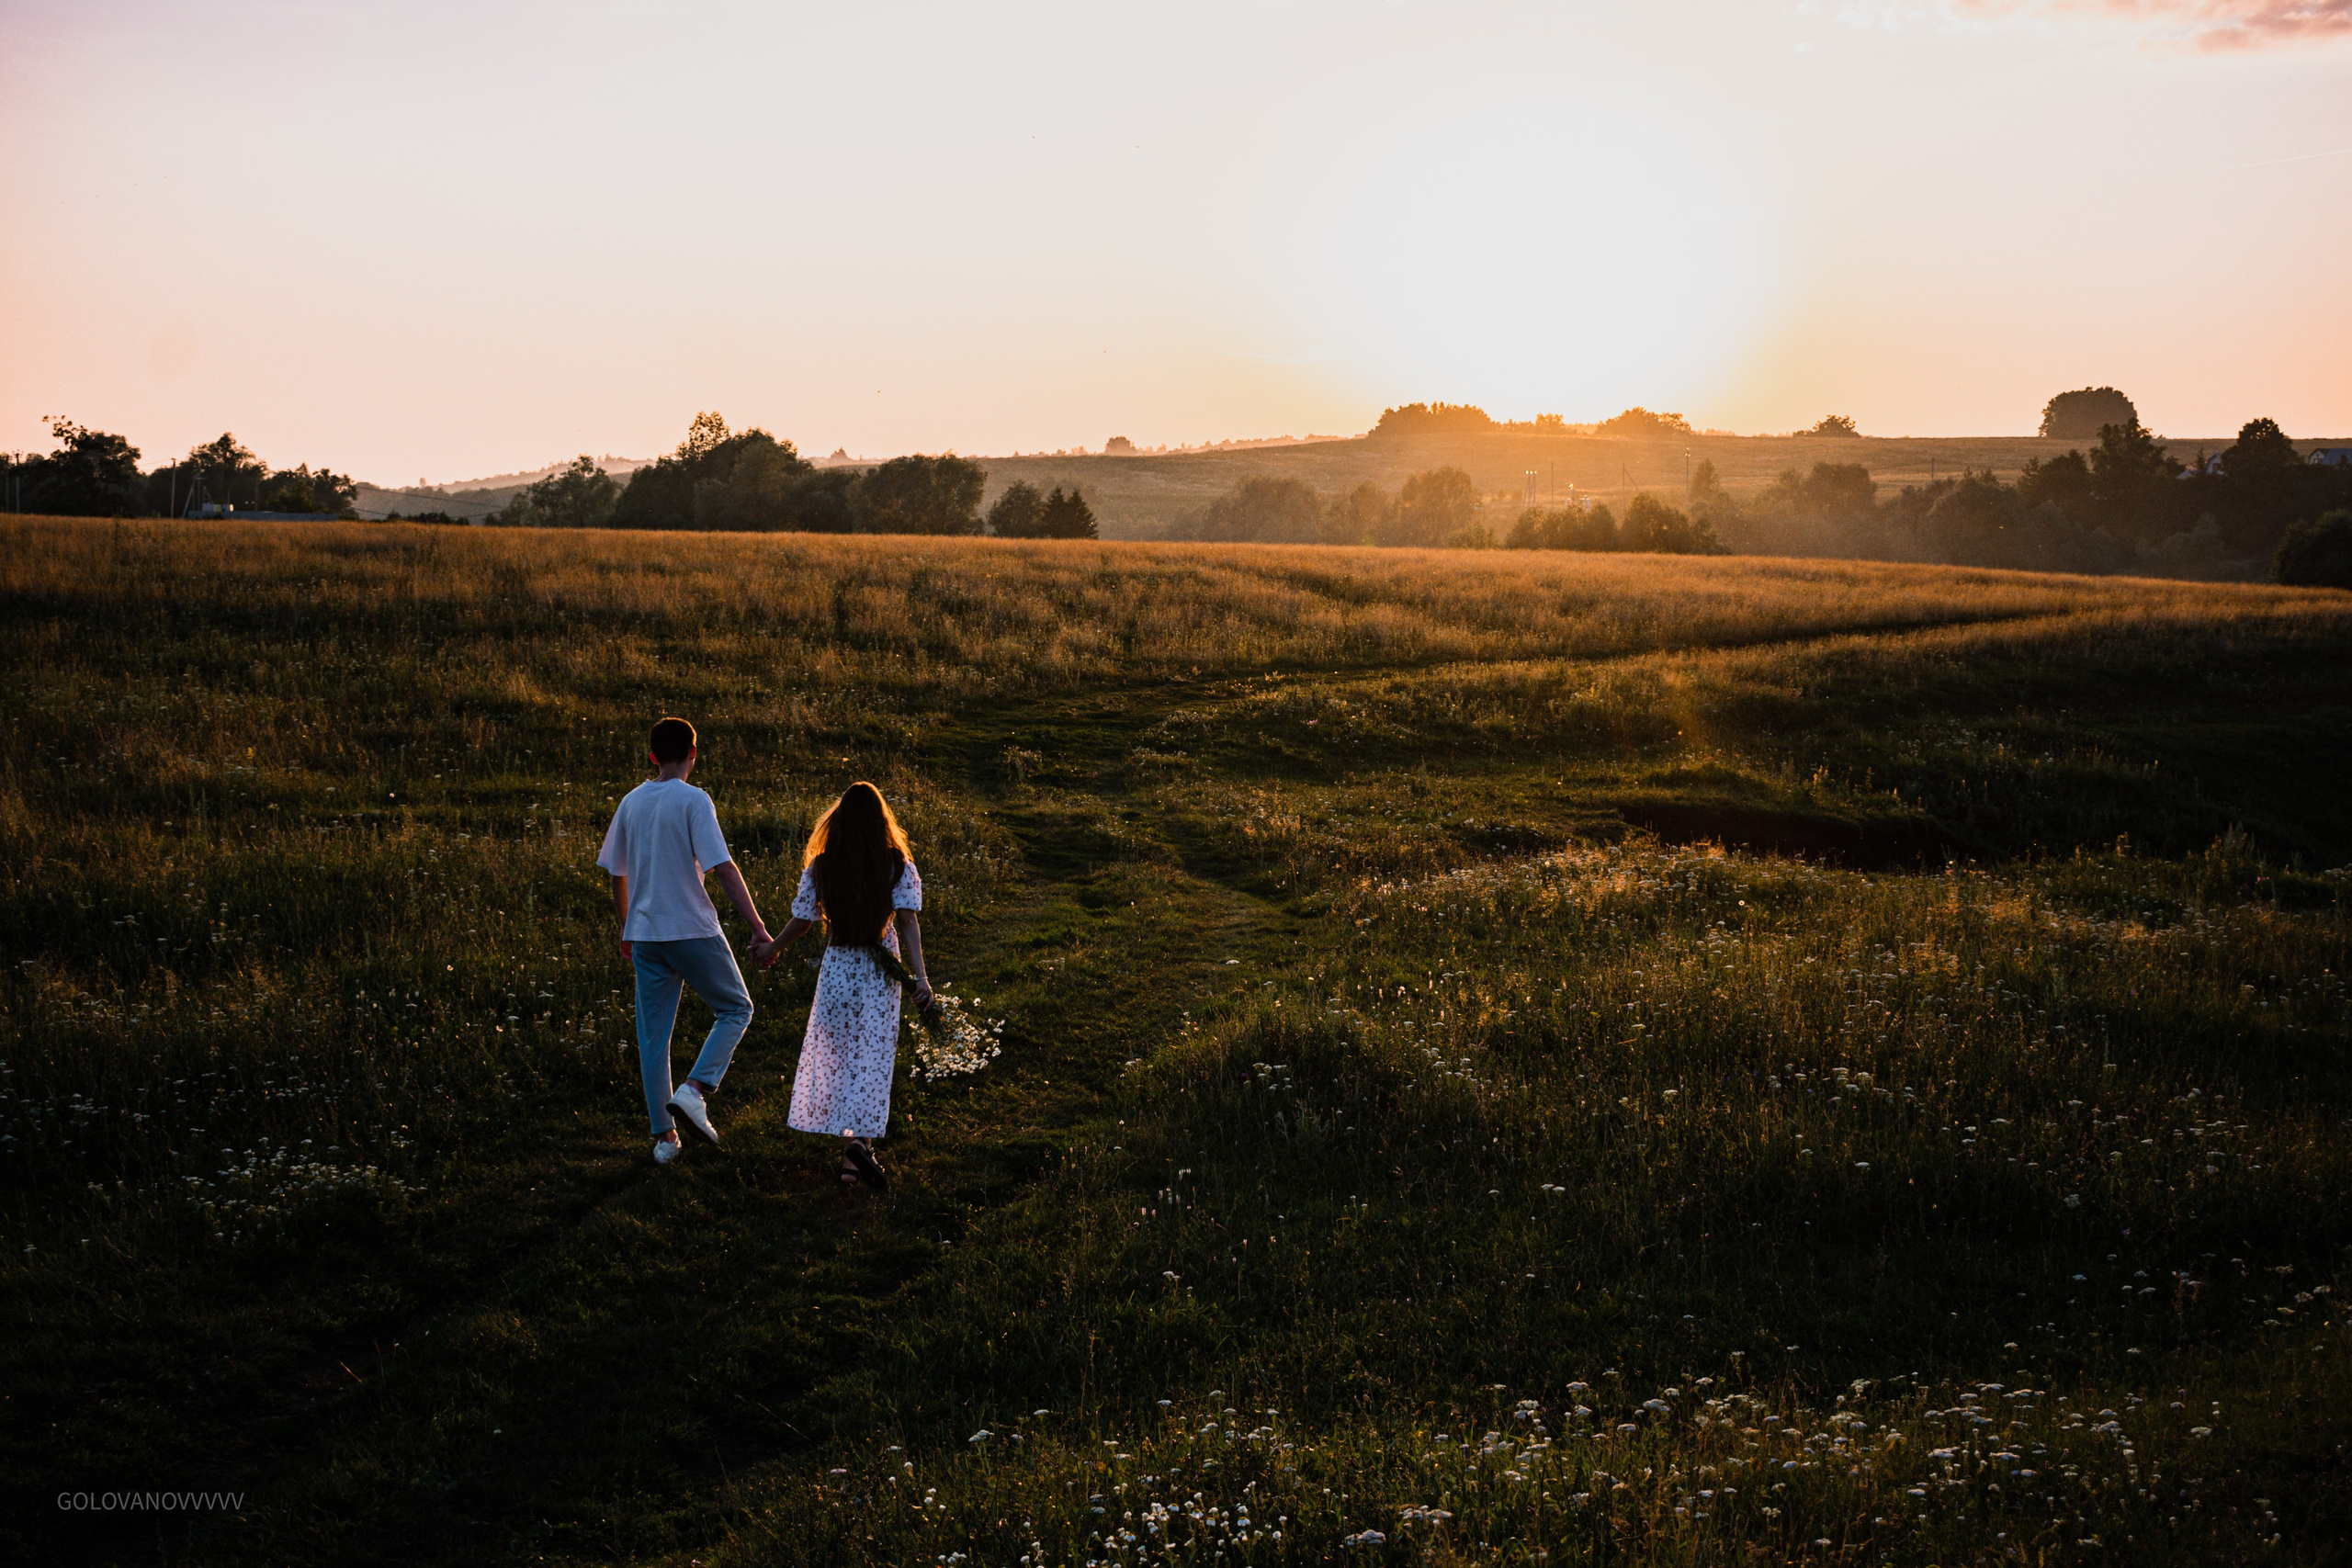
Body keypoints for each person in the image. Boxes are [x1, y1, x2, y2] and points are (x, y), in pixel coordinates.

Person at [597, 716, 772, 1166]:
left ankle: (665, 1139)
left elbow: (617, 872)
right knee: (736, 1008)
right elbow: (723, 868)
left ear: (652, 756)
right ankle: (694, 1090)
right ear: (694, 754)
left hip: (645, 935)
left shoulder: (631, 801)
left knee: (653, 1038)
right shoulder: (694, 799)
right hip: (692, 929)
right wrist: (757, 927)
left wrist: (626, 927)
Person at [753, 782, 931, 1190]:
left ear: (839, 821)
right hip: (879, 974)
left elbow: (803, 920)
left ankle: (852, 1155)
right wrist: (920, 978)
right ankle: (860, 1148)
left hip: (837, 971)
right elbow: (907, 920)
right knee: (871, 1058)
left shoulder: (822, 866)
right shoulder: (896, 864)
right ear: (881, 820)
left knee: (841, 1057)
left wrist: (772, 948)